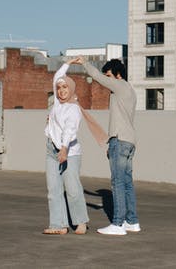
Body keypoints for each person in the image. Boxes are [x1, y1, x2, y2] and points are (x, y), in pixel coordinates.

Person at [72, 56, 139, 236]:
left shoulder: (118, 85)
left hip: (120, 139)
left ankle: (117, 224)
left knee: (117, 182)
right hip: (130, 141)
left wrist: (84, 63)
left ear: (117, 74)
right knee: (126, 183)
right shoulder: (130, 90)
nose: (107, 79)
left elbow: (97, 77)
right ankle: (132, 221)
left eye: (108, 75)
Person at [43, 62, 90, 235]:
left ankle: (81, 222)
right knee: (53, 190)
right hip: (51, 149)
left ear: (71, 89)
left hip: (69, 151)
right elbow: (57, 76)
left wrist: (63, 149)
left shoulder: (74, 109)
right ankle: (58, 225)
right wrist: (69, 63)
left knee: (72, 188)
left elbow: (70, 131)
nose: (62, 90)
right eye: (59, 88)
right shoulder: (56, 103)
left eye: (65, 87)